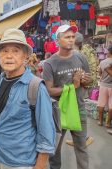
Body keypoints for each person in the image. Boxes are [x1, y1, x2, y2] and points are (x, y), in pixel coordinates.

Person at [0, 29, 56, 169]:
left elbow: (46, 130)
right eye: (4, 51)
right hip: (2, 156)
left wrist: (40, 165)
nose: (9, 56)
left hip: (24, 162)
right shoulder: (0, 81)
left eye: (15, 51)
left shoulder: (35, 86)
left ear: (25, 56)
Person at [43, 25, 92, 169]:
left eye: (72, 37)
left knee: (81, 147)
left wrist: (85, 80)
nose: (71, 40)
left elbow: (89, 81)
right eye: (67, 37)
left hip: (79, 109)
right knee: (55, 149)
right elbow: (49, 90)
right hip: (59, 111)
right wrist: (73, 86)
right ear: (58, 40)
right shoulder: (50, 63)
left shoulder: (81, 57)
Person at [65, 32, 95, 147]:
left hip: (77, 88)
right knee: (76, 112)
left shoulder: (76, 55)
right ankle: (79, 138)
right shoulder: (83, 53)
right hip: (81, 87)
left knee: (77, 111)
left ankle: (84, 138)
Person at [97, 45, 112, 129]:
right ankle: (108, 123)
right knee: (111, 105)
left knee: (101, 103)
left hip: (103, 85)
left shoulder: (103, 62)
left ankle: (100, 121)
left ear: (109, 52)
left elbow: (99, 73)